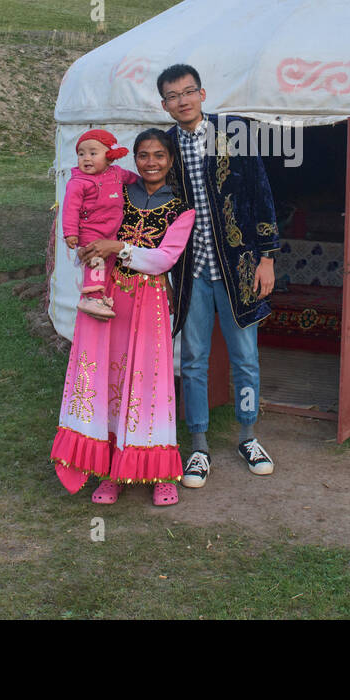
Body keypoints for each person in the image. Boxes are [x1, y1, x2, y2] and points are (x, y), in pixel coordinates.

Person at [51, 129, 195, 507]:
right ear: (132, 158)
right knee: (106, 379)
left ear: (170, 160)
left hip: (150, 302)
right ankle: (110, 469)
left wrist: (119, 247)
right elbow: (85, 223)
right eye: (144, 155)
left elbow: (165, 258)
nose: (151, 162)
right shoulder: (115, 191)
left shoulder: (182, 206)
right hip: (107, 297)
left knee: (149, 385)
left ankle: (161, 473)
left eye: (159, 155)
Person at [160, 64, 280, 488]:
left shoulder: (233, 133)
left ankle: (248, 436)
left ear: (202, 93)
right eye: (173, 96)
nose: (182, 100)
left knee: (245, 357)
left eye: (188, 92)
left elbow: (260, 195)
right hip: (191, 274)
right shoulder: (164, 147)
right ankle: (198, 445)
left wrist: (267, 258)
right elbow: (157, 208)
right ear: (164, 104)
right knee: (193, 361)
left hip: (239, 269)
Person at [62, 129, 138, 319]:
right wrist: (70, 233)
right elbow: (70, 208)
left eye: (93, 153)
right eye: (81, 154)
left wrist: (149, 185)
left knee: (108, 262)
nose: (86, 158)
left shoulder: (117, 173)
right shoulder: (78, 182)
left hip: (111, 232)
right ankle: (91, 298)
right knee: (96, 262)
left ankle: (99, 295)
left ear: (109, 157)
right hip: (90, 231)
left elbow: (135, 180)